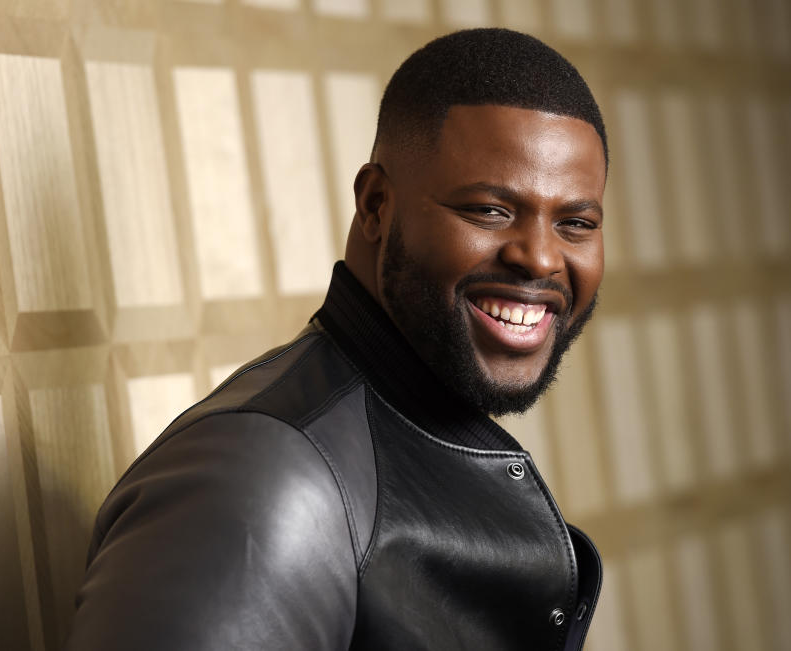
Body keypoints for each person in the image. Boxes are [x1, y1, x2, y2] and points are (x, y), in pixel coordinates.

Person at [68, 27, 608, 650]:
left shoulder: (408, 433)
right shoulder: (267, 479)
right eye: (488, 211)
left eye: (576, 223)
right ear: (376, 205)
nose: (539, 258)